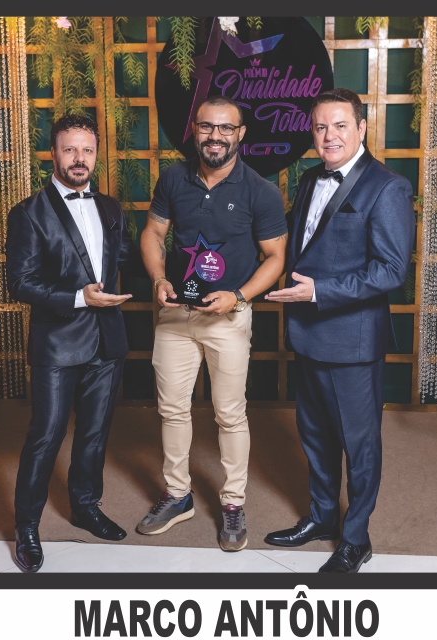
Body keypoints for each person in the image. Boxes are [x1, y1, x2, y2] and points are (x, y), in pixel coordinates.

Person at [264, 88, 415, 573]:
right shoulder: (310, 178)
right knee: (314, 436)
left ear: (362, 127)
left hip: (352, 339)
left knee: (359, 443)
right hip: (307, 334)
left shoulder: (388, 187)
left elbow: (392, 270)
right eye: (320, 127)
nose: (329, 136)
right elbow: (299, 244)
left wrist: (319, 291)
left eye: (340, 125)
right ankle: (323, 516)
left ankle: (356, 538)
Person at [137, 95, 288, 551]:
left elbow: (275, 257)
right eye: (206, 126)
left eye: (226, 128)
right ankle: (178, 494)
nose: (215, 136)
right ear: (194, 130)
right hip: (175, 313)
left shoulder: (260, 191)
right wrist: (158, 278)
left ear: (241, 134)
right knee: (171, 408)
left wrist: (238, 296)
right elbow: (153, 232)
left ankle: (233, 502)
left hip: (228, 317)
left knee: (230, 413)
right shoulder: (172, 178)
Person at [5, 113, 143, 572]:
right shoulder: (28, 213)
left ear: (96, 154)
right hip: (57, 344)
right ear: (53, 154)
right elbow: (20, 283)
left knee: (94, 433)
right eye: (70, 150)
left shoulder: (111, 208)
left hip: (107, 339)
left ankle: (85, 507)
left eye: (87, 150)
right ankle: (27, 526)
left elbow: (123, 259)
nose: (79, 158)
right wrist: (79, 297)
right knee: (46, 436)